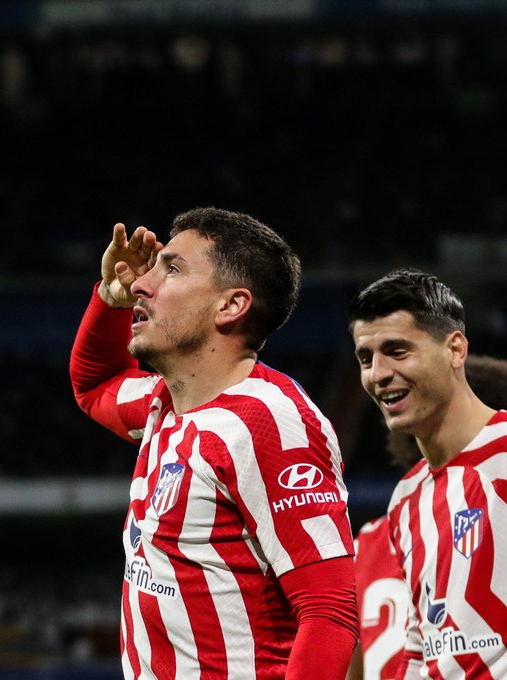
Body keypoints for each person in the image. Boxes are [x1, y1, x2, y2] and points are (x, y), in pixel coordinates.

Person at [70, 207, 358, 680]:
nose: (141, 283)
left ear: (231, 305)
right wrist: (108, 298)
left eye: (172, 270)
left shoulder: (270, 421)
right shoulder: (165, 404)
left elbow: (329, 611)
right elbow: (94, 385)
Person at [347, 268, 507, 679]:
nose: (378, 374)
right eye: (366, 358)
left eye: (397, 351)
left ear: (455, 349)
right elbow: (423, 641)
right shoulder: (406, 497)